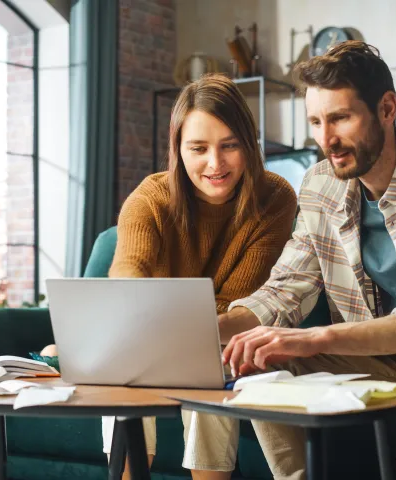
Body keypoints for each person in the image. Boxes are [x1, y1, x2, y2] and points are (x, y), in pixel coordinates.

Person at [219, 40, 396, 480]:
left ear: (387, 109)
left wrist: (317, 338)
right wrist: (203, 331)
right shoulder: (321, 184)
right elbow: (287, 287)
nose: (326, 140)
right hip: (371, 356)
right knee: (263, 358)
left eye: (340, 118)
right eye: (316, 122)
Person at [98, 73, 297, 480]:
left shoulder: (275, 198)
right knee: (124, 372)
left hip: (222, 339)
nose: (215, 163)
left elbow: (242, 303)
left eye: (229, 146)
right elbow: (127, 272)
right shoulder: (151, 197)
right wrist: (139, 314)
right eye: (198, 148)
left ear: (249, 144)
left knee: (213, 370)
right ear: (178, 149)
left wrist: (167, 325)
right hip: (150, 340)